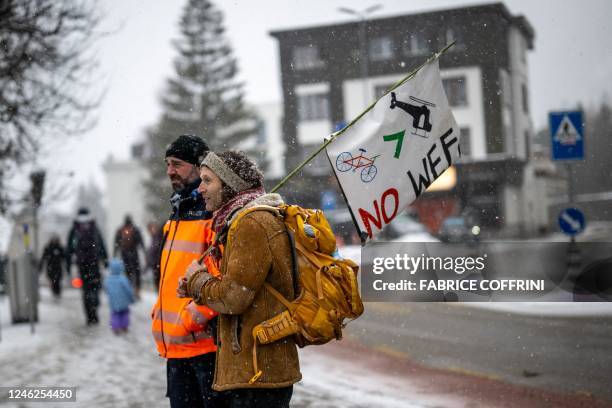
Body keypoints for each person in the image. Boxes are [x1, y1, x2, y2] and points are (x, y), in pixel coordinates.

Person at [179, 151, 301, 407]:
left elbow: (234, 297)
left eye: (207, 180)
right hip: (255, 370)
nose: (200, 189)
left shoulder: (251, 223)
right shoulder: (240, 221)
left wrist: (198, 280)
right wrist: (195, 285)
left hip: (257, 374)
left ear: (230, 184)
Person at [151, 134, 223, 407]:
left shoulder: (212, 214)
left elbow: (223, 277)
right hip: (177, 347)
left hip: (204, 346)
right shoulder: (178, 211)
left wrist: (192, 317)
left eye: (177, 164)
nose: (170, 171)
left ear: (199, 165)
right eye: (168, 164)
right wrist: (161, 309)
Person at [66, 207, 108, 325]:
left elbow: (69, 249)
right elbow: (101, 244)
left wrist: (69, 265)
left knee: (85, 290)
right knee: (95, 287)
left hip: (82, 265)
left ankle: (89, 316)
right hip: (94, 264)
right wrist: (105, 261)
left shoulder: (75, 228)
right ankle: (95, 309)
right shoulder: (93, 226)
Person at [114, 215, 145, 298]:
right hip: (134, 253)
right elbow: (141, 241)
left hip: (124, 254)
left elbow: (116, 243)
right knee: (137, 273)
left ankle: (128, 291)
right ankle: (137, 292)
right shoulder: (135, 229)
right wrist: (144, 251)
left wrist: (115, 254)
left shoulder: (120, 230)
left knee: (128, 273)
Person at [103, 258, 134, 335]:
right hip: (124, 302)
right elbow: (128, 290)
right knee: (124, 314)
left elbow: (106, 289)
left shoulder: (108, 280)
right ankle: (124, 327)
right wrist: (131, 298)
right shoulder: (123, 279)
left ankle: (116, 328)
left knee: (115, 315)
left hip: (113, 302)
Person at [39, 235, 66, 299]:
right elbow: (43, 258)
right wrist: (40, 267)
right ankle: (55, 292)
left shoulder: (60, 247)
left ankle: (57, 292)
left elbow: (64, 257)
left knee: (57, 281)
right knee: (53, 280)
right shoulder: (48, 248)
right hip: (51, 268)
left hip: (58, 268)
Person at [146, 221, 164, 291]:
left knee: (159, 283)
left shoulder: (159, 236)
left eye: (153, 227)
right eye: (150, 229)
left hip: (159, 264)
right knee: (157, 283)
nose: (151, 230)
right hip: (155, 265)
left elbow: (154, 251)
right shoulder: (153, 238)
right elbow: (151, 253)